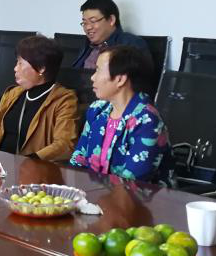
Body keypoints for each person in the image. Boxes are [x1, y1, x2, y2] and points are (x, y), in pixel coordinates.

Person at [70, 45, 172, 183]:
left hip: (139, 195)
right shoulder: (97, 110)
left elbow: (132, 180)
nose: (93, 77)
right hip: (96, 192)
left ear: (120, 79)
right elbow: (79, 158)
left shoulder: (147, 120)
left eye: (98, 70)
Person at [0, 35, 79, 161]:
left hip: (34, 169)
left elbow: (64, 145)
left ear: (41, 68)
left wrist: (28, 162)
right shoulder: (13, 94)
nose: (15, 68)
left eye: (20, 63)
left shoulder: (64, 100)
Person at [72, 0, 148, 70]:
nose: (88, 27)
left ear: (111, 20)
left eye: (93, 21)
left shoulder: (131, 45)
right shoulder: (87, 45)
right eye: (85, 23)